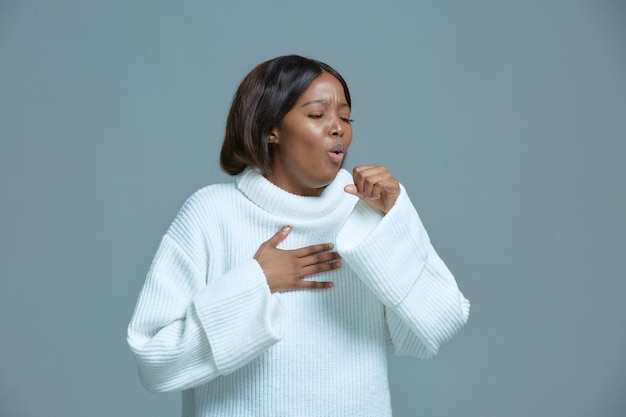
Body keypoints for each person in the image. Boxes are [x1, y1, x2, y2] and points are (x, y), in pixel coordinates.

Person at [127, 55, 470, 417]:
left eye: (345, 116)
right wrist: (256, 282)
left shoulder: (366, 213)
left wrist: (396, 221)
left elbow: (440, 322)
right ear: (271, 127)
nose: (338, 127)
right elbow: (155, 362)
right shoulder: (211, 214)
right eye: (318, 115)